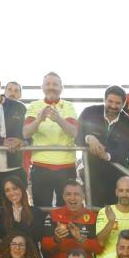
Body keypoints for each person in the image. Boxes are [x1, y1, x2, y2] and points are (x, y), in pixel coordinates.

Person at [23, 72, 78, 207]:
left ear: (61, 88)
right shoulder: (34, 106)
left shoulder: (69, 106)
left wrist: (59, 119)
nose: (51, 87)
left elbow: (74, 132)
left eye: (55, 84)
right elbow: (26, 133)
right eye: (48, 84)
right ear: (42, 87)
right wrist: (39, 120)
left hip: (66, 166)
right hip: (41, 166)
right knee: (41, 210)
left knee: (65, 210)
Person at [76, 85, 129, 206]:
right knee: (92, 212)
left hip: (114, 176)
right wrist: (89, 138)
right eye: (110, 101)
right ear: (104, 100)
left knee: (112, 213)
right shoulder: (89, 112)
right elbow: (76, 136)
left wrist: (106, 155)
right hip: (91, 174)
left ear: (124, 104)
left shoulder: (128, 124)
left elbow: (124, 151)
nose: (113, 106)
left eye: (117, 103)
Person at [40, 180, 102, 258]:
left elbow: (98, 249)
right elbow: (44, 246)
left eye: (76, 194)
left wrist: (81, 239)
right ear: (63, 197)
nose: (72, 198)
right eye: (68, 194)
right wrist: (56, 239)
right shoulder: (53, 215)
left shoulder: (93, 217)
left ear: (83, 197)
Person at [94, 176, 129, 258]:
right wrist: (111, 222)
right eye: (121, 190)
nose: (124, 195)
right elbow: (100, 242)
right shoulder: (105, 211)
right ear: (116, 192)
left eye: (128, 191)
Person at [0, 175, 45, 246]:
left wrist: (19, 220)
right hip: (8, 255)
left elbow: (37, 237)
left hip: (30, 254)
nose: (12, 193)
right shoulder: (1, 212)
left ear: (22, 189)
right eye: (7, 190)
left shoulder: (36, 211)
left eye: (15, 188)